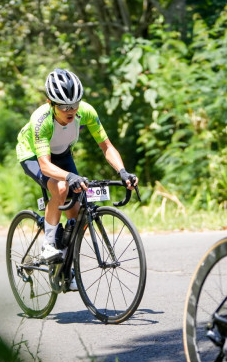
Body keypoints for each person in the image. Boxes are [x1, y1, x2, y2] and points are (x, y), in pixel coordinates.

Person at [16, 69, 138, 270]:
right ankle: (48, 245)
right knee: (61, 188)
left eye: (74, 104)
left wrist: (123, 172)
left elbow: (107, 146)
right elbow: (45, 165)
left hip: (62, 152)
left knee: (77, 212)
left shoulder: (86, 111)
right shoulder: (41, 119)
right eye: (64, 107)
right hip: (33, 155)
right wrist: (69, 176)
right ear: (50, 103)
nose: (71, 110)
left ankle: (66, 267)